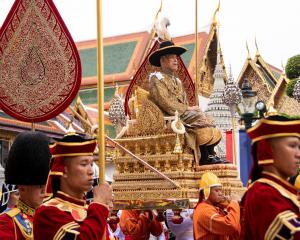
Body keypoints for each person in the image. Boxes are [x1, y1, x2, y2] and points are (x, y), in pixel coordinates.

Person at [148, 40, 227, 165]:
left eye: (176, 58)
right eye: (172, 58)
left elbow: (183, 101)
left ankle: (210, 153)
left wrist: (191, 108)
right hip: (167, 117)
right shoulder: (156, 79)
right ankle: (205, 156)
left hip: (181, 113)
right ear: (162, 60)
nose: (176, 60)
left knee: (209, 118)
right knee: (199, 116)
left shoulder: (177, 81)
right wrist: (188, 109)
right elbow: (165, 102)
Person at [33, 132, 113, 240]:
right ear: (63, 170)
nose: (91, 171)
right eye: (84, 164)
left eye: (91, 164)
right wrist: (99, 204)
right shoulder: (48, 212)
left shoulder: (90, 209)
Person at [241, 115, 300, 239]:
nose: (298, 154)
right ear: (267, 150)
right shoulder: (263, 194)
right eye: (292, 146)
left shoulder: (278, 190)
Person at [0, 131, 51, 239]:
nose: (44, 191)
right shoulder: (6, 223)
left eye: (45, 185)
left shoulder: (53, 218)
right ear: (22, 188)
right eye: (39, 186)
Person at [193, 172, 241, 240]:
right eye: (217, 190)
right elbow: (231, 226)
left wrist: (227, 206)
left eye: (221, 190)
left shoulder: (212, 207)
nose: (220, 193)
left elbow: (235, 232)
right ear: (205, 193)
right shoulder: (204, 210)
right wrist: (234, 203)